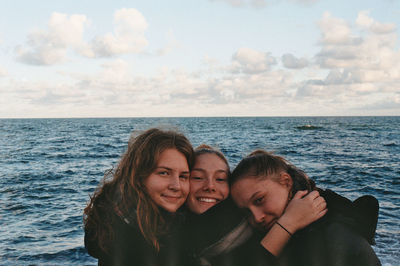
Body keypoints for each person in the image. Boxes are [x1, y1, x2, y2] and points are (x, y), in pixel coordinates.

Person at [230, 150, 381, 266]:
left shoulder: (324, 233)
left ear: (286, 181)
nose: (257, 218)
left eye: (259, 200)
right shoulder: (296, 231)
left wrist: (288, 223)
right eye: (246, 212)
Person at [183, 145, 328, 266]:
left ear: (286, 181)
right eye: (197, 177)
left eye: (220, 179)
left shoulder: (321, 220)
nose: (210, 186)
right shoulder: (171, 231)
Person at [83, 128, 196, 266]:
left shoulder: (177, 222)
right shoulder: (124, 239)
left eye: (183, 176)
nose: (176, 186)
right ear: (138, 176)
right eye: (164, 173)